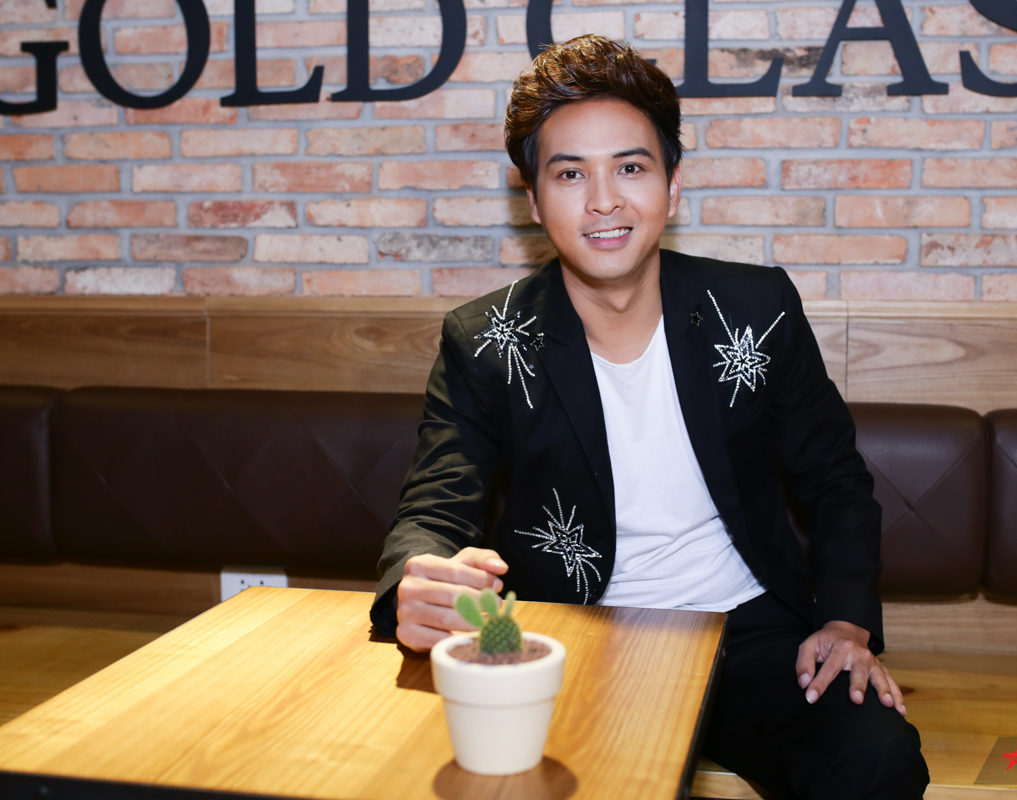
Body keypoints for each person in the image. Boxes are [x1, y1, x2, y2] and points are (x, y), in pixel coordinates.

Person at [370, 34, 930, 799]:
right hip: (574, 637)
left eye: (631, 168)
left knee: (876, 760)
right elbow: (431, 512)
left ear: (672, 185)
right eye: (571, 173)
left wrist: (846, 622)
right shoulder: (487, 343)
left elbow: (835, 482)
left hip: (750, 631)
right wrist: (411, 586)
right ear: (532, 201)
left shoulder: (754, 309)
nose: (604, 200)